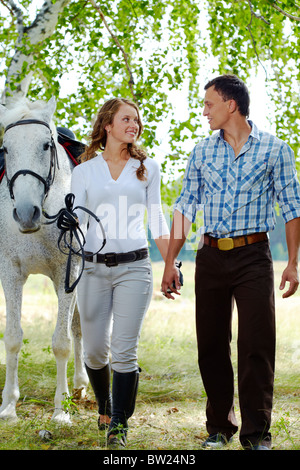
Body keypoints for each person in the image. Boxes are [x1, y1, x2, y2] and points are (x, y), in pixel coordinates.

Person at [161, 74, 300, 450]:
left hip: (254, 257)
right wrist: (170, 262)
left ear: (230, 105)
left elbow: (292, 209)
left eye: (209, 104)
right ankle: (219, 428)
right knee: (211, 344)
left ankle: (257, 435)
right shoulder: (202, 151)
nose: (204, 111)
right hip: (210, 256)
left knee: (256, 344)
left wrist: (293, 264)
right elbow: (185, 207)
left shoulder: (275, 150)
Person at [71, 97, 169, 447]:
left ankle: (118, 424)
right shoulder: (83, 172)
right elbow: (77, 220)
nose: (134, 125)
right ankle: (105, 404)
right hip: (93, 270)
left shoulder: (148, 168)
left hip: (135, 268)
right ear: (107, 125)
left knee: (125, 350)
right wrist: (69, 222)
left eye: (137, 120)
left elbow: (157, 218)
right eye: (126, 119)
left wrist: (169, 262)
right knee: (95, 351)